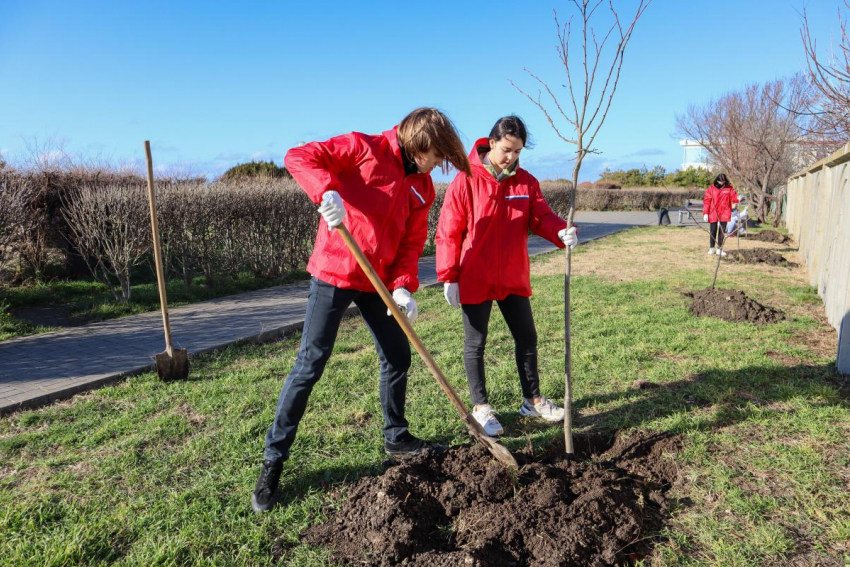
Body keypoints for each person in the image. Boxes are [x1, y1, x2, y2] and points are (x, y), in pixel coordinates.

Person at [252, 108, 471, 513]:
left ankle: (396, 435)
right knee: (310, 364)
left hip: (378, 280)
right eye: (435, 155)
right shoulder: (362, 148)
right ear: (417, 142)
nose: (437, 164)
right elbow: (298, 157)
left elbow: (410, 242)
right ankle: (273, 461)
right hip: (335, 270)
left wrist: (404, 287)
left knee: (398, 354)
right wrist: (325, 192)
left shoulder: (422, 187)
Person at [435, 115, 578, 437]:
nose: (511, 157)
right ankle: (481, 408)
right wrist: (449, 275)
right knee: (476, 342)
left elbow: (541, 217)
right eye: (506, 149)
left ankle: (533, 400)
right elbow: (448, 232)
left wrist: (562, 232)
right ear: (491, 142)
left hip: (512, 274)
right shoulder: (466, 180)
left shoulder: (526, 182)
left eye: (517, 151)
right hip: (475, 274)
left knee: (527, 338)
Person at [702, 173, 740, 256]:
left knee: (722, 231)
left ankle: (719, 249)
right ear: (717, 180)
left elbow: (734, 197)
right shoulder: (711, 189)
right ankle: (712, 248)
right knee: (713, 230)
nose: (721, 183)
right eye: (720, 181)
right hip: (713, 211)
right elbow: (707, 201)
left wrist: (739, 198)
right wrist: (706, 213)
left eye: (723, 181)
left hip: (724, 212)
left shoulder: (729, 188)